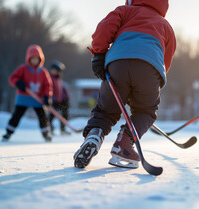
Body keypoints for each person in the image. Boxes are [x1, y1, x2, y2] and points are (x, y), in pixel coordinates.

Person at [74, 0, 176, 169]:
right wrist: (152, 85)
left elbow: (104, 28)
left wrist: (99, 54)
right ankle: (124, 143)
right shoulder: (165, 25)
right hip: (149, 68)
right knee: (145, 111)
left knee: (106, 110)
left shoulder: (125, 11)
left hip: (118, 63)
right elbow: (166, 60)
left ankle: (94, 135)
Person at [2, 44, 53, 142]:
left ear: (40, 59)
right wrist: (18, 82)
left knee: (42, 116)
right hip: (24, 97)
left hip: (37, 98)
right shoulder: (23, 69)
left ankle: (46, 133)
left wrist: (47, 96)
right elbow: (12, 78)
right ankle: (8, 132)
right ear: (28, 59)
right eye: (32, 58)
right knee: (17, 115)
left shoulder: (43, 72)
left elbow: (48, 85)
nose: (34, 60)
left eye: (36, 58)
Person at [48, 60, 71, 136]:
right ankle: (50, 129)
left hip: (60, 101)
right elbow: (48, 89)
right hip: (53, 100)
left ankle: (63, 129)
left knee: (65, 113)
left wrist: (66, 96)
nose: (56, 72)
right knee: (51, 116)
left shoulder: (59, 79)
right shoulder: (50, 78)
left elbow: (62, 90)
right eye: (54, 70)